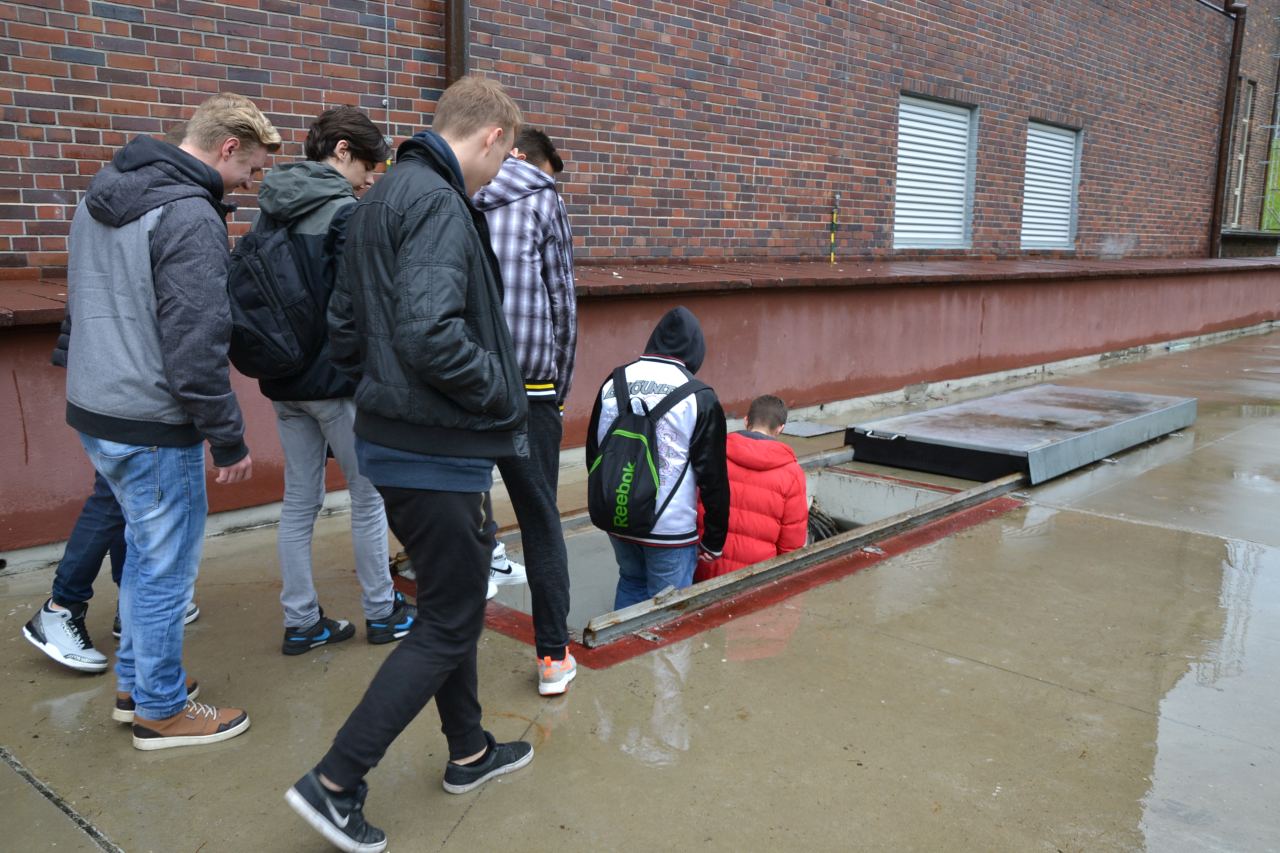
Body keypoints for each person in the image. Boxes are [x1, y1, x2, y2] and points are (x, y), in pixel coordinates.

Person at [285, 76, 534, 853]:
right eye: (505, 157)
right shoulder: (436, 201)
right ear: (491, 136)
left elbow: (344, 329)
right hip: (437, 451)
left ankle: (469, 750)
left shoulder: (378, 199)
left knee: (448, 604)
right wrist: (505, 390)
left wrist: (383, 391)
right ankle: (335, 781)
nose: (499, 173)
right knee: (451, 618)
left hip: (395, 444)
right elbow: (430, 335)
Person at [60, 92, 279, 750]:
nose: (251, 183)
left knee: (146, 556)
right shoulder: (189, 213)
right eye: (252, 168)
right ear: (227, 146)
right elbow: (196, 341)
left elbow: (84, 302)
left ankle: (138, 684)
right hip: (151, 420)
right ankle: (160, 709)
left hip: (97, 407)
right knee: (165, 570)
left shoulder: (103, 193)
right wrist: (228, 436)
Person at [250, 106, 416, 656]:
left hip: (282, 379)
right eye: (367, 165)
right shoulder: (344, 213)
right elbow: (361, 306)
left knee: (300, 501)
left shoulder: (269, 208)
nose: (369, 180)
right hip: (336, 383)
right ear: (342, 150)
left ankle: (301, 622)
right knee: (368, 499)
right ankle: (383, 613)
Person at [473, 127, 578, 695]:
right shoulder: (542, 198)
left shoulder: (455, 192)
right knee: (540, 521)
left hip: (463, 383)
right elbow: (562, 302)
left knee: (462, 521)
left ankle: (451, 654)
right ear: (527, 158)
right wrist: (558, 391)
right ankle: (552, 659)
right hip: (531, 386)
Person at [586, 306, 730, 609]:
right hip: (669, 529)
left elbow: (594, 452)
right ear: (696, 349)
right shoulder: (699, 396)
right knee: (668, 613)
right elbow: (713, 477)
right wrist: (714, 539)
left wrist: (612, 501)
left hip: (617, 517)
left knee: (630, 582)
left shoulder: (613, 381)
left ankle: (624, 642)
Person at [695, 395, 808, 582]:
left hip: (706, 566)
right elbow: (791, 542)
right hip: (755, 577)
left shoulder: (714, 455)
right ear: (780, 428)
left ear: (746, 420)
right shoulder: (792, 473)